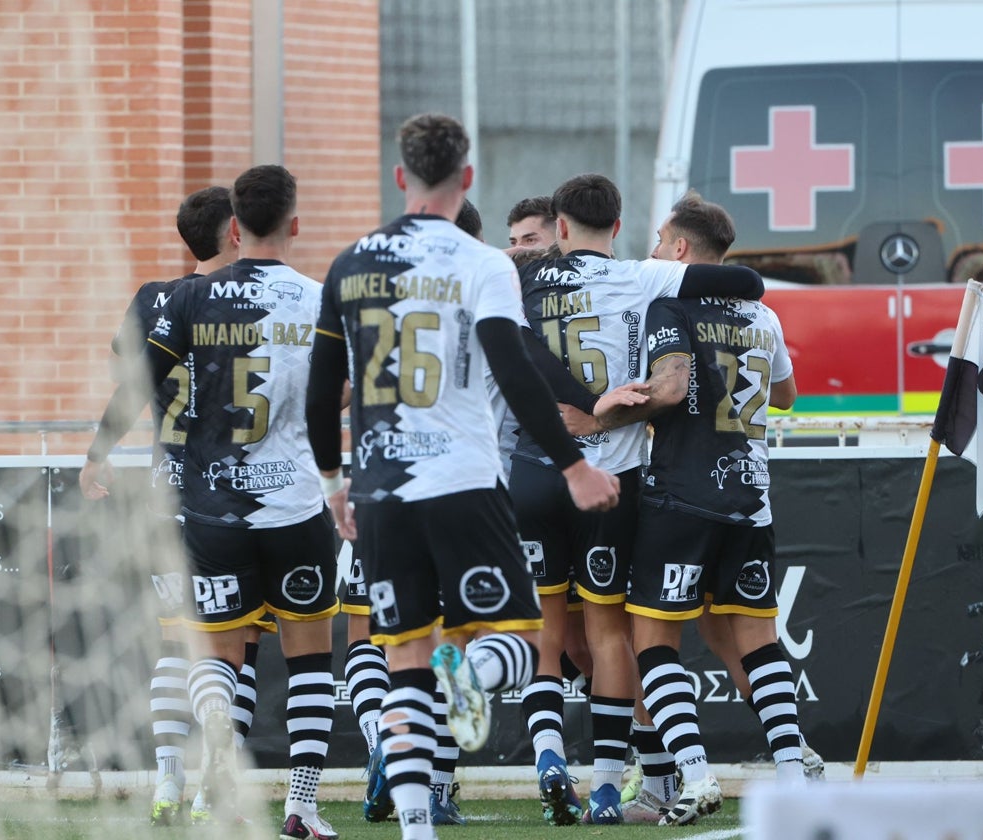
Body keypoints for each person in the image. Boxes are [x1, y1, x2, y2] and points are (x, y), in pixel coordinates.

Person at [305, 112, 621, 840]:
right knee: (514, 640)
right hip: (464, 482)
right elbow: (513, 368)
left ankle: (418, 830)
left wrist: (333, 485)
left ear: (399, 177)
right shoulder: (484, 263)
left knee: (404, 660)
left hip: (381, 486)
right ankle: (470, 676)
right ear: (467, 179)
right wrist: (573, 465)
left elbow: (323, 393)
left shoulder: (350, 263)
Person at [81, 165, 341, 840]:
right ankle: (303, 805)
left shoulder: (183, 299)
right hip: (293, 502)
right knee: (310, 657)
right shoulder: (318, 298)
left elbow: (140, 377)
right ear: (294, 223)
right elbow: (341, 393)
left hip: (204, 506)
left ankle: (194, 758)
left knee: (207, 654)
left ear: (233, 226)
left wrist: (97, 452)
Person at [509, 174, 765, 825]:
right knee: (611, 633)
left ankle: (547, 756)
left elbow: (520, 350)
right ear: (618, 228)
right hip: (613, 481)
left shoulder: (524, 279)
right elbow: (748, 285)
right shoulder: (644, 275)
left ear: (559, 230)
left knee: (547, 636)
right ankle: (603, 786)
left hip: (539, 471)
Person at [582, 190, 808, 825]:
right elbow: (788, 394)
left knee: (652, 636)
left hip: (682, 491)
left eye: (659, 240)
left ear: (681, 249)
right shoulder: (763, 315)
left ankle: (695, 773)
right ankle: (794, 773)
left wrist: (609, 407)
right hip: (751, 494)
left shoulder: (669, 302)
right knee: (758, 640)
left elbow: (670, 387)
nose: (653, 250)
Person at [105, 185, 275, 826]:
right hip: (241, 495)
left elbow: (129, 375)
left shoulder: (156, 298)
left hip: (164, 491)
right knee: (240, 646)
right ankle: (212, 784)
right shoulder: (260, 298)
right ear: (237, 231)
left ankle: (167, 782)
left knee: (174, 647)